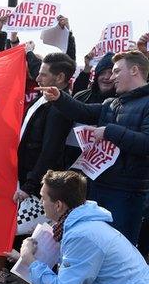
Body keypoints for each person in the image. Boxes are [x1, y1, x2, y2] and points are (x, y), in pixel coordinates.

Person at [0, 53, 76, 284]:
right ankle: (18, 276)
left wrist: (29, 184)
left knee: (36, 234)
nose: (37, 76)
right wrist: (20, 49)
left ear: (60, 78)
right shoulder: (43, 98)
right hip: (30, 180)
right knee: (31, 233)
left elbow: (49, 149)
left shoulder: (58, 108)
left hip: (41, 187)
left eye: (44, 74)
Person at [37, 50, 149, 246]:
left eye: (116, 71)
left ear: (134, 70)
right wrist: (60, 98)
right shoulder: (111, 104)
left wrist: (109, 132)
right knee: (93, 246)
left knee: (116, 249)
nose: (111, 77)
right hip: (97, 187)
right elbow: (84, 111)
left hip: (126, 193)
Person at [22, 170, 149, 284]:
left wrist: (30, 261)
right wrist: (22, 258)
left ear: (58, 205)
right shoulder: (84, 224)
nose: (41, 203)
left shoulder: (81, 234)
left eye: (43, 198)